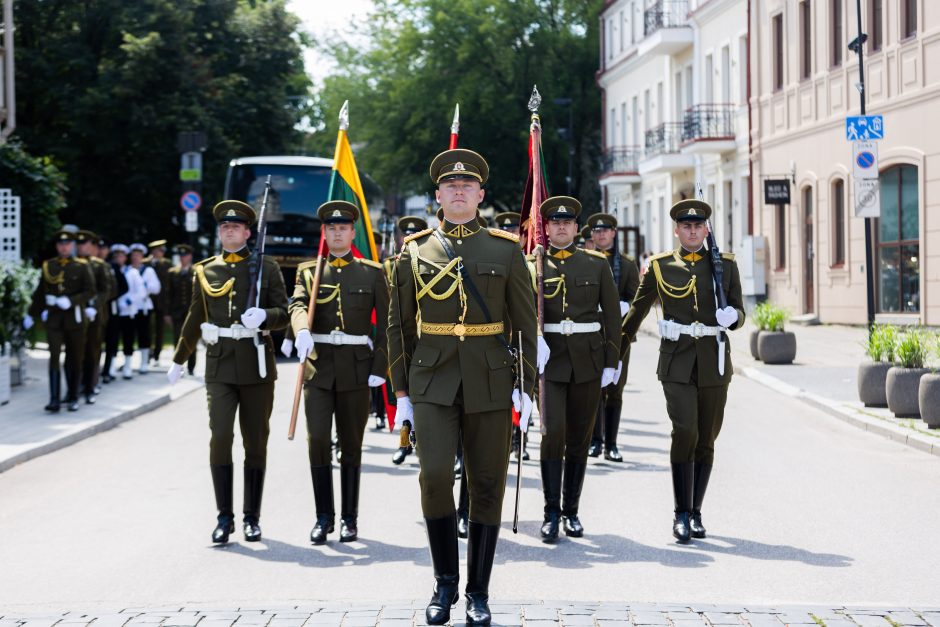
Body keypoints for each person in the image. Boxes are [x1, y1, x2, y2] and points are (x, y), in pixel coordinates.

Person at [388, 148, 536, 626]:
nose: (458, 192)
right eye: (450, 187)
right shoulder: (415, 252)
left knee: (487, 483)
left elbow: (525, 324)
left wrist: (527, 388)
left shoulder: (505, 249)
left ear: (480, 195)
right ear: (438, 195)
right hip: (431, 379)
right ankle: (443, 583)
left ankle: (478, 591)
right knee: (433, 477)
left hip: (491, 378)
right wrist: (402, 394)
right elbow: (398, 328)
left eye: (467, 186)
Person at [622, 199, 745, 543]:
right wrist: (613, 354)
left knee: (706, 438)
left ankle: (696, 511)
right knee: (685, 429)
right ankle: (680, 512)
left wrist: (733, 317)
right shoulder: (660, 266)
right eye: (686, 226)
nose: (692, 231)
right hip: (676, 362)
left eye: (698, 226)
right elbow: (637, 312)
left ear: (706, 229)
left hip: (714, 360)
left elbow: (740, 310)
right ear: (676, 230)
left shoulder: (726, 266)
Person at [166, 200, 289, 544]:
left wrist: (265, 316)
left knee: (255, 443)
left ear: (248, 232)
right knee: (220, 437)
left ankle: (252, 517)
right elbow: (194, 315)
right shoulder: (205, 270)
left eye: (235, 227)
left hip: (256, 365)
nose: (229, 231)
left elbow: (283, 310)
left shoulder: (266, 267)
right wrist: (179, 358)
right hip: (219, 366)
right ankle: (224, 517)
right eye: (224, 227)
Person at [290, 200, 389, 544]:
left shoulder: (372, 272)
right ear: (324, 232)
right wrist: (301, 328)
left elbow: (389, 326)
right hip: (318, 370)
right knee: (317, 440)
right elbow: (298, 304)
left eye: (343, 228)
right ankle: (323, 517)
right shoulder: (309, 271)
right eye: (331, 228)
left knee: (351, 445)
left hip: (356, 372)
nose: (336, 233)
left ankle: (349, 518)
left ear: (352, 232)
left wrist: (381, 367)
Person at [533, 197, 621, 543]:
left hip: (588, 361)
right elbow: (522, 314)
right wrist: (530, 347)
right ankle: (550, 511)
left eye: (567, 222)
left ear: (575, 227)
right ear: (547, 227)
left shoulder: (596, 264)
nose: (561, 227)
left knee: (579, 440)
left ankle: (571, 510)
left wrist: (611, 362)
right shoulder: (534, 264)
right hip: (550, 361)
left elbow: (613, 317)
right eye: (555, 223)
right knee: (552, 434)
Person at [585, 213, 641, 462]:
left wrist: (624, 307)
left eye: (605, 231)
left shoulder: (627, 265)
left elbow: (636, 299)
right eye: (596, 232)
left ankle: (612, 443)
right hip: (591, 335)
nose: (601, 235)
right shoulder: (585, 261)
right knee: (594, 391)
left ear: (613, 233)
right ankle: (595, 441)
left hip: (618, 336)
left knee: (615, 391)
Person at [25, 226, 96, 412]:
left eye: (67, 244)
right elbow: (41, 292)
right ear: (57, 246)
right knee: (54, 357)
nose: (64, 247)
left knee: (74, 358)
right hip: (55, 320)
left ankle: (73, 397)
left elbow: (90, 291)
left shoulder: (81, 266)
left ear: (72, 245)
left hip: (75, 319)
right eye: (61, 244)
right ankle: (54, 399)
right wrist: (31, 314)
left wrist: (71, 301)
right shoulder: (49, 266)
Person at [387, 215, 428, 466]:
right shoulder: (391, 264)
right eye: (405, 234)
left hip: (427, 339)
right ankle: (404, 444)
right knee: (404, 400)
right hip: (405, 339)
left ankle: (452, 452)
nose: (407, 238)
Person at [75, 230, 113, 404]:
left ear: (92, 246)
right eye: (80, 243)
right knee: (76, 352)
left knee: (92, 351)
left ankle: (90, 386)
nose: (82, 246)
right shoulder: (72, 264)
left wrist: (93, 306)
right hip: (75, 315)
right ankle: (77, 385)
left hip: (94, 315)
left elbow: (106, 290)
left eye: (86, 244)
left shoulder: (99, 265)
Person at [128, 243, 161, 373]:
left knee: (144, 335)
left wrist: (144, 286)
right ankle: (128, 363)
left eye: (138, 255)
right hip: (130, 308)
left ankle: (144, 363)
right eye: (134, 255)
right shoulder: (127, 269)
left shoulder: (148, 271)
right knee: (129, 335)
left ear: (142, 256)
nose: (136, 257)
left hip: (143, 307)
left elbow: (157, 288)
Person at [166, 244, 197, 375]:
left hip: (192, 313)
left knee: (192, 339)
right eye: (181, 256)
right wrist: (167, 313)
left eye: (185, 255)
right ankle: (179, 367)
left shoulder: (197, 271)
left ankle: (191, 367)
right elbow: (168, 294)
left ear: (190, 256)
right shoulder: (172, 272)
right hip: (177, 312)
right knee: (178, 339)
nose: (182, 258)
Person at [148, 239, 173, 365]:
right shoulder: (145, 263)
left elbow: (169, 285)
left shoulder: (167, 264)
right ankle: (147, 353)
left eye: (163, 250)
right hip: (147, 302)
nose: (161, 252)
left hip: (161, 302)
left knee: (159, 330)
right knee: (147, 329)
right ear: (153, 251)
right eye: (159, 250)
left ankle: (156, 355)